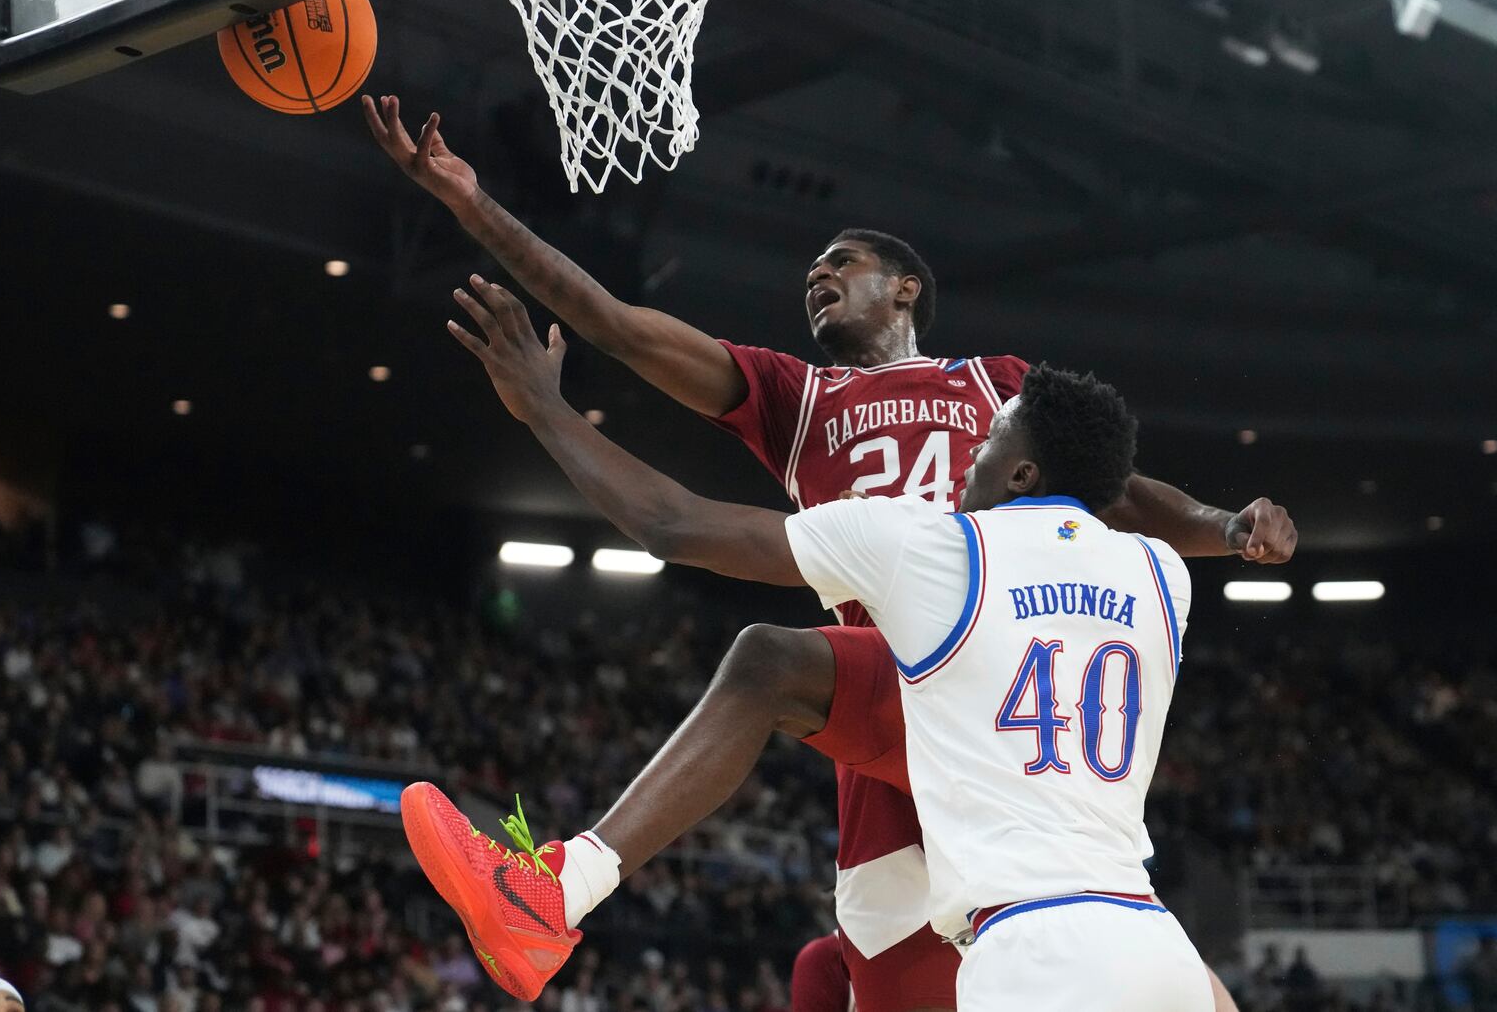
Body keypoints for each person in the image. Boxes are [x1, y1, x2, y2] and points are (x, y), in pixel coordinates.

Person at [364, 96, 1291, 1011]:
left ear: (905, 287)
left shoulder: (1004, 391)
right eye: (811, 268)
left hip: (978, 674)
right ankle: (552, 899)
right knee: (875, 901)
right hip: (892, 689)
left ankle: (558, 891)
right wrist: (470, 203)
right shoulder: (792, 394)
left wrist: (1223, 523)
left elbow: (1121, 489)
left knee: (847, 958)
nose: (817, 276)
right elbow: (614, 322)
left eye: (840, 262)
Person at [404, 285, 1210, 1009]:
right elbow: (1131, 507)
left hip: (1031, 937)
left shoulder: (937, 547)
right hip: (1144, 925)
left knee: (769, 663)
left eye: (989, 440)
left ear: (1022, 473)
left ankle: (555, 893)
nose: (971, 453)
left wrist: (545, 408)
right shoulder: (1160, 576)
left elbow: (673, 523)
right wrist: (1228, 529)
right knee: (829, 970)